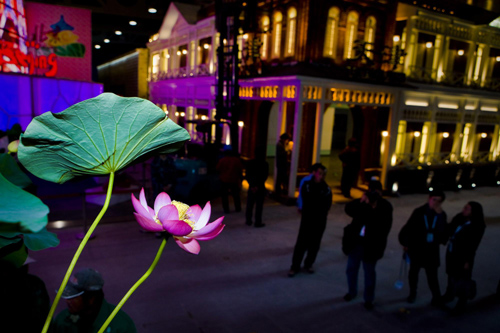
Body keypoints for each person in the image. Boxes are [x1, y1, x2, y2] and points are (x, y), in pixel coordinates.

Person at [343, 180, 393, 310]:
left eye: (376, 192)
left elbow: (384, 227)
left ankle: (369, 299)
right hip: (357, 242)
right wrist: (361, 200)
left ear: (380, 193)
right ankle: (351, 292)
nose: (373, 195)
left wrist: (374, 206)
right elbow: (348, 210)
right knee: (351, 269)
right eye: (371, 192)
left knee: (369, 273)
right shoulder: (363, 203)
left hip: (372, 245)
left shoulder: (385, 206)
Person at [398, 190, 448, 305]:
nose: (435, 203)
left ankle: (436, 297)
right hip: (417, 248)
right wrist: (406, 243)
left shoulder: (441, 215)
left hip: (431, 251)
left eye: (438, 201)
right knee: (413, 273)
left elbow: (443, 232)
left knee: (432, 276)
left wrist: (439, 216)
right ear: (429, 198)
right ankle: (412, 293)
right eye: (434, 199)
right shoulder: (419, 212)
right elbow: (408, 228)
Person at [52, 268, 136, 333]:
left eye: (73, 297)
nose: (67, 300)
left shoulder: (120, 326)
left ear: (91, 299)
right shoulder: (62, 320)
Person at [288, 163, 332, 277]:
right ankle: (295, 266)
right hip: (308, 220)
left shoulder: (326, 189)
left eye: (323, 174)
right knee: (301, 243)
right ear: (314, 173)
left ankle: (309, 264)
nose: (321, 176)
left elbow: (327, 205)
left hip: (320, 220)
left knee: (315, 244)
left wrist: (318, 208)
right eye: (320, 173)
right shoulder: (307, 185)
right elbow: (307, 201)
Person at [442, 201, 486, 313]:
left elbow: (473, 245)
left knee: (462, 278)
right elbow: (450, 229)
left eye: (467, 209)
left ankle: (461, 303)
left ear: (473, 212)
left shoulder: (478, 225)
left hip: (463, 255)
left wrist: (467, 261)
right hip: (452, 251)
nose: (464, 210)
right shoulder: (459, 218)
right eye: (464, 207)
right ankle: (449, 294)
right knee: (451, 274)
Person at [245, 148, 269, 228]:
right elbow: (265, 176)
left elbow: (247, 175)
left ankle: (248, 220)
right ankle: (257, 221)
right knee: (259, 205)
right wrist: (258, 185)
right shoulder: (265, 164)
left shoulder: (250, 163)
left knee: (250, 204)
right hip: (260, 187)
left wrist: (252, 185)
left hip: (252, 186)